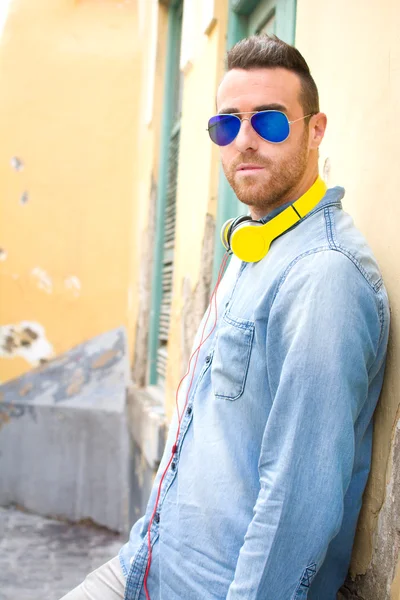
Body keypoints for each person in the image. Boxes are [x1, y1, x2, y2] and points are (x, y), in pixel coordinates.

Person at [61, 34, 389, 600]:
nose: (246, 141)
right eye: (226, 125)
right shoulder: (254, 244)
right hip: (146, 564)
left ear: (315, 130)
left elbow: (297, 503)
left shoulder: (323, 278)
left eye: (271, 122)